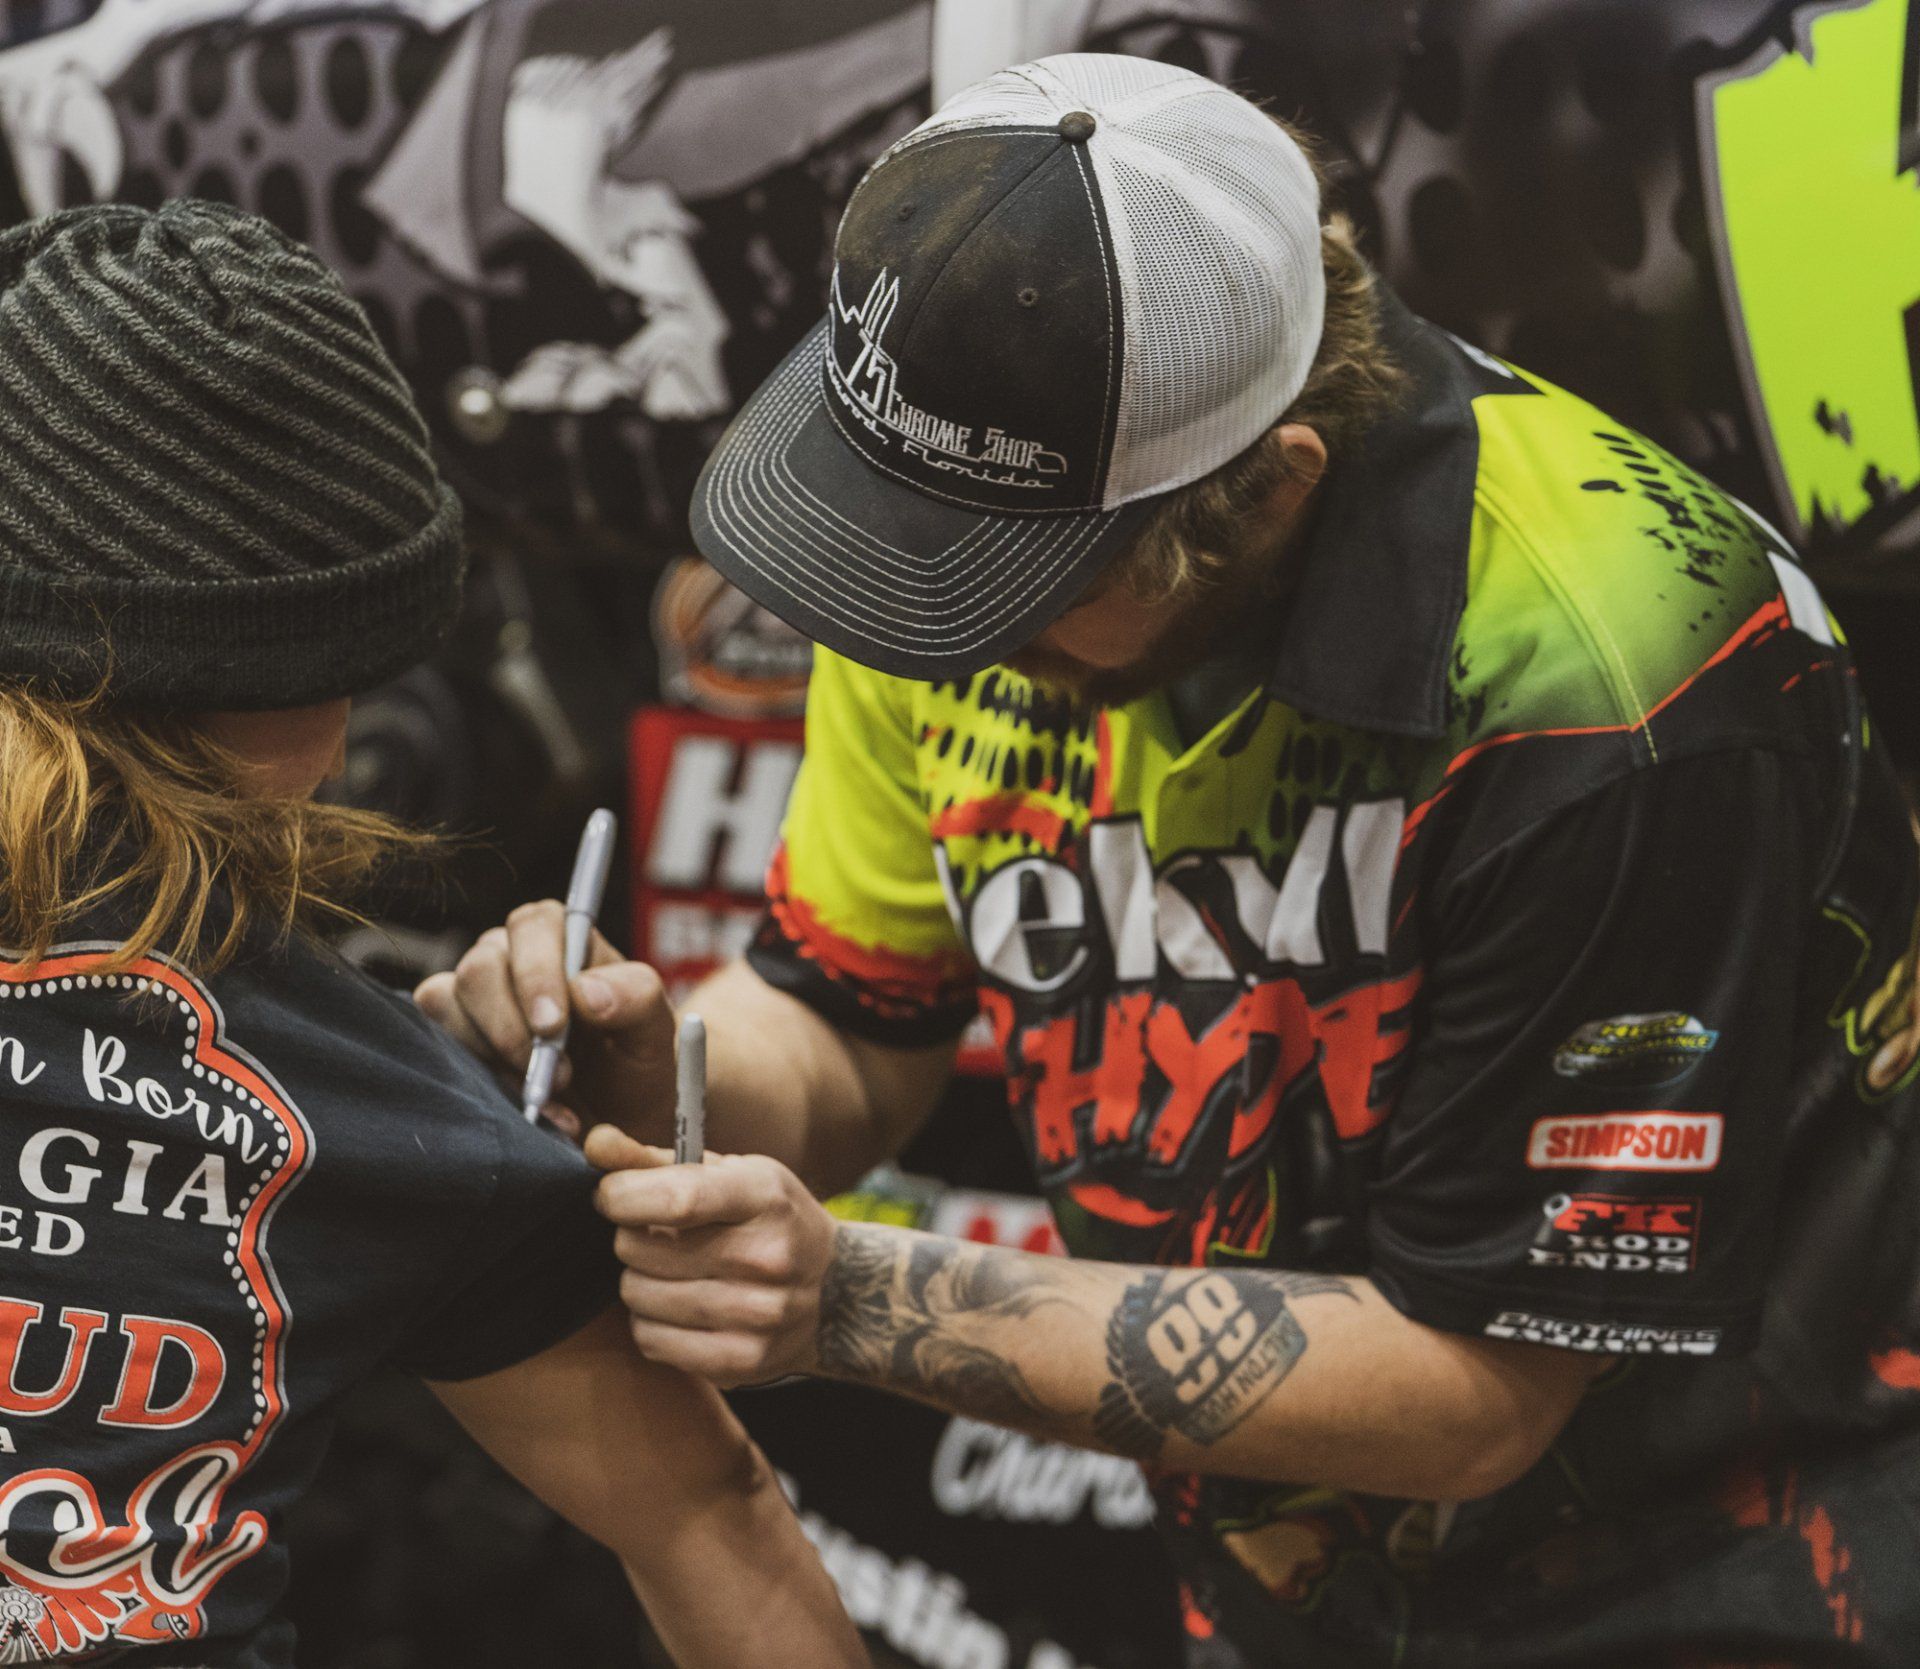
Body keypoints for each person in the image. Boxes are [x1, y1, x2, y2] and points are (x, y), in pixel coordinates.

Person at [420, 54, 1920, 1667]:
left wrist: (845, 1296)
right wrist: (661, 1075)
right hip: (1297, 1586)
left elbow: (1476, 1390)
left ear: (1269, 491)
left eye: (1005, 589)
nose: (932, 636)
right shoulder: (950, 515)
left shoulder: (1624, 686)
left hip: (1730, 1578)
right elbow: (855, 1021)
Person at [0, 200, 862, 1669]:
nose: (347, 750)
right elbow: (709, 1509)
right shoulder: (334, 1094)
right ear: (285, 679)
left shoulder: (372, 1091)